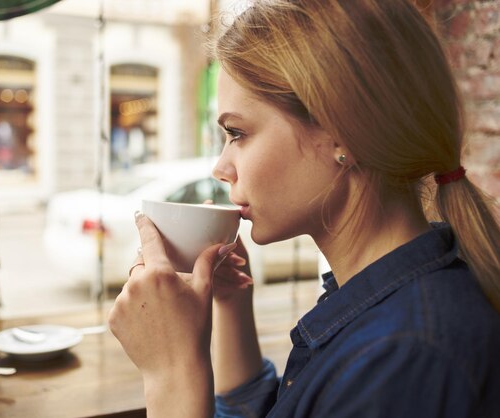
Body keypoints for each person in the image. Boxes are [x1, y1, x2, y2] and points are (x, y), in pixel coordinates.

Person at [108, 0, 500, 416]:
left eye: (237, 133)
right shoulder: (380, 304)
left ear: (341, 134)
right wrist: (231, 305)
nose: (221, 168)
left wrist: (171, 372)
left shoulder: (402, 355)